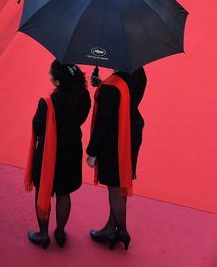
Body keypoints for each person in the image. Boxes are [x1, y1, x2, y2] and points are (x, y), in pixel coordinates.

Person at [24, 60, 91, 249]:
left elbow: (37, 127)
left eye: (51, 73)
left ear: (58, 82)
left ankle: (42, 234)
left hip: (48, 153)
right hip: (70, 150)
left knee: (42, 190)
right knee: (64, 192)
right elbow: (81, 117)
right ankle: (60, 233)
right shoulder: (84, 96)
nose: (49, 75)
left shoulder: (47, 103)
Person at [85, 67, 146, 250]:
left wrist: (92, 152)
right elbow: (125, 95)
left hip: (115, 139)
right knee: (120, 183)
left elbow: (104, 121)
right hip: (132, 130)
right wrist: (102, 84)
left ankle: (122, 231)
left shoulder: (111, 88)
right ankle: (111, 227)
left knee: (114, 186)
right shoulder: (140, 72)